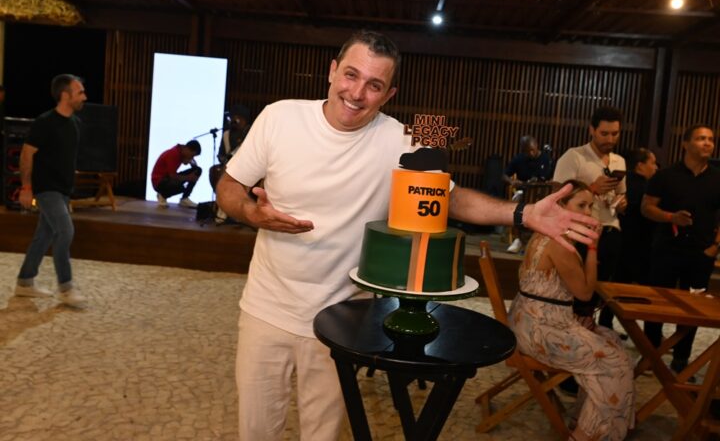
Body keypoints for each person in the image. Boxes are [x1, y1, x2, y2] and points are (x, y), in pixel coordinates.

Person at [216, 30, 599, 441]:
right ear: (332, 71)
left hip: (340, 317)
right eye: (351, 75)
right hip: (266, 308)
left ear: (389, 94)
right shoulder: (280, 117)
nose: (357, 93)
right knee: (255, 431)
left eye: (374, 85)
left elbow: (451, 198)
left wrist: (523, 213)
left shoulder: (401, 140)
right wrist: (251, 213)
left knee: (321, 434)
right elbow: (230, 185)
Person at [508, 180, 635, 441]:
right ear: (560, 206)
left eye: (590, 206)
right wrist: (593, 247)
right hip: (539, 332)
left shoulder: (548, 234)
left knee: (611, 339)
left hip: (529, 321)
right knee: (615, 361)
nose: (588, 212)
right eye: (581, 205)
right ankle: (585, 434)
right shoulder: (559, 242)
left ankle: (586, 419)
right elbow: (586, 292)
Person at [641, 124, 720, 377]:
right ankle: (651, 353)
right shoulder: (665, 176)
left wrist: (715, 247)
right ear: (685, 144)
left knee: (692, 308)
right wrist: (670, 217)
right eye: (701, 138)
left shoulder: (717, 178)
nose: (707, 143)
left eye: (710, 139)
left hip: (701, 253)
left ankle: (681, 358)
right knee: (657, 303)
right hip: (666, 248)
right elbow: (646, 208)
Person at [14, 74, 88, 308]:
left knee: (44, 235)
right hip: (46, 189)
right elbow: (27, 154)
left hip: (63, 190)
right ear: (65, 95)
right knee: (65, 230)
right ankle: (66, 287)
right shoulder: (45, 122)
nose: (84, 97)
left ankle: (25, 282)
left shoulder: (76, 123)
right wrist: (26, 187)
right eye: (80, 92)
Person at [553, 106, 628, 333]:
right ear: (592, 130)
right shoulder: (574, 156)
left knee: (600, 288)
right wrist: (592, 189)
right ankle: (571, 331)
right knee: (578, 289)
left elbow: (621, 194)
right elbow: (556, 196)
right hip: (580, 231)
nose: (610, 139)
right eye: (604, 133)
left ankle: (588, 328)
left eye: (615, 134)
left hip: (611, 228)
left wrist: (621, 203)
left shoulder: (619, 161)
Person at [503, 135, 554, 253]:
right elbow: (504, 175)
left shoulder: (546, 158)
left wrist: (549, 181)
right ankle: (518, 238)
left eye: (532, 150)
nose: (531, 153)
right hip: (523, 192)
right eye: (527, 151)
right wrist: (512, 181)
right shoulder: (519, 159)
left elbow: (553, 176)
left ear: (536, 145)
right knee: (515, 205)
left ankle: (538, 239)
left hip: (542, 193)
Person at [616, 148, 658, 285]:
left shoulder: (620, 182)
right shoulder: (646, 188)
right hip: (639, 245)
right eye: (653, 163)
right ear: (640, 166)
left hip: (619, 241)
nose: (656, 167)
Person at [150, 140, 202, 208]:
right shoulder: (173, 154)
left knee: (197, 170)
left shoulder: (181, 151)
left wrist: (191, 163)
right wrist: (188, 178)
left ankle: (184, 199)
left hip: (168, 178)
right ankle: (162, 195)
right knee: (180, 188)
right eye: (192, 155)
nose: (192, 158)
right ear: (187, 149)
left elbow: (188, 164)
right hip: (159, 181)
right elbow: (172, 176)